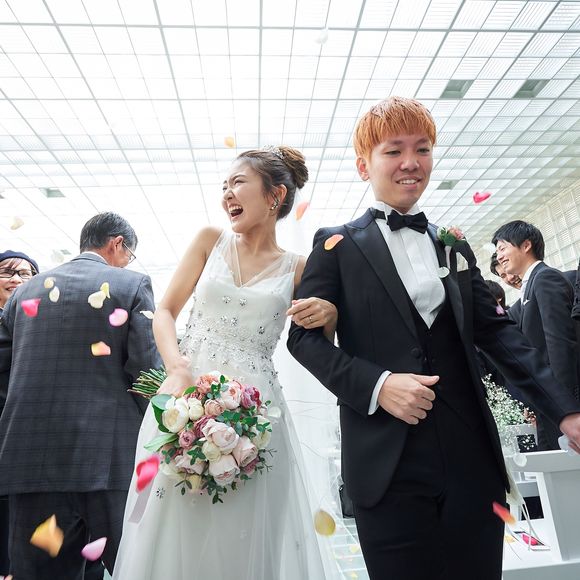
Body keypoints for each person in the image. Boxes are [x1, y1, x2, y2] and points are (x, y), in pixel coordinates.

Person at [287, 96, 580, 580]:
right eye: (393, 151)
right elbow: (304, 342)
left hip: (471, 459)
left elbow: (499, 335)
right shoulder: (335, 245)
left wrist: (564, 410)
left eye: (422, 149)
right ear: (363, 165)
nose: (411, 162)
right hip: (386, 463)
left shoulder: (453, 244)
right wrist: (379, 385)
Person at [113, 146, 337, 580]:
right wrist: (177, 367)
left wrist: (330, 315)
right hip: (187, 402)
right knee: (176, 524)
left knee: (244, 533)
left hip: (259, 418)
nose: (227, 195)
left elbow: (317, 345)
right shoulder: (209, 241)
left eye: (238, 183)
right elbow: (165, 312)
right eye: (224, 187)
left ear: (275, 196)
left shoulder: (299, 268)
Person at [0, 212, 160, 580]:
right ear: (117, 244)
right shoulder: (132, 284)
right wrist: (154, 432)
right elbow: (145, 371)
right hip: (108, 458)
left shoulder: (24, 291)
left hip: (32, 460)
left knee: (40, 573)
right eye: (129, 254)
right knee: (131, 566)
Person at [493, 220, 580, 450]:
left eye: (502, 248)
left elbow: (560, 343)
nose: (499, 256)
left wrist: (565, 406)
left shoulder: (545, 278)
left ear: (526, 245)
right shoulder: (528, 287)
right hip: (549, 404)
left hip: (563, 405)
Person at [0, 250, 39, 578]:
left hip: (25, 436)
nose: (16, 279)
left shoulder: (38, 323)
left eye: (25, 274)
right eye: (7, 272)